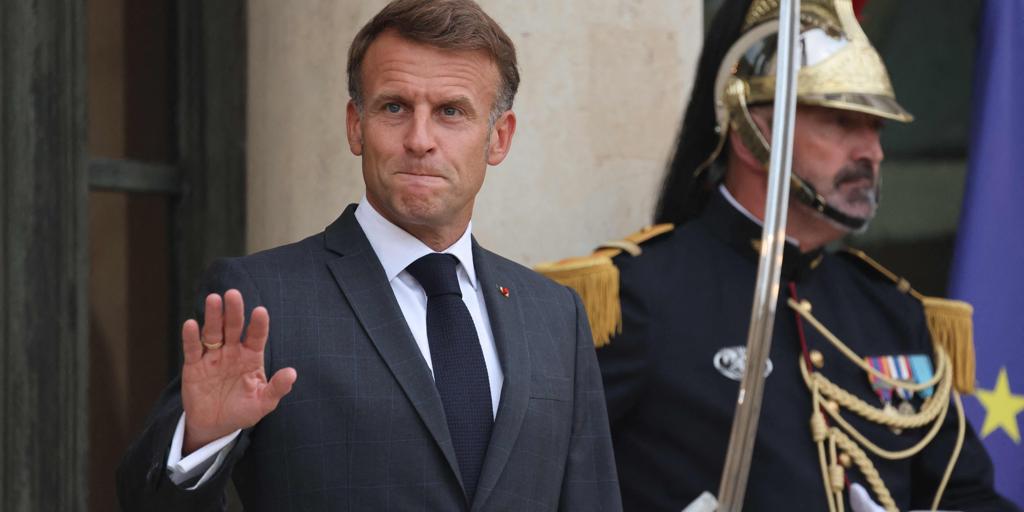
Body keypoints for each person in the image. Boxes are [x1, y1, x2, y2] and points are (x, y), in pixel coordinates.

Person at [117, 1, 621, 510]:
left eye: (451, 112)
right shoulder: (264, 299)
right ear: (356, 125)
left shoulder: (555, 315)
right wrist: (202, 441)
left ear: (499, 138)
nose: (420, 140)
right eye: (395, 107)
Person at [537, 0, 1018, 510]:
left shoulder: (895, 314)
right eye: (842, 121)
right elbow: (536, 482)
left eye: (876, 127)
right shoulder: (635, 297)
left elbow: (970, 497)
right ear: (752, 137)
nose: (872, 151)